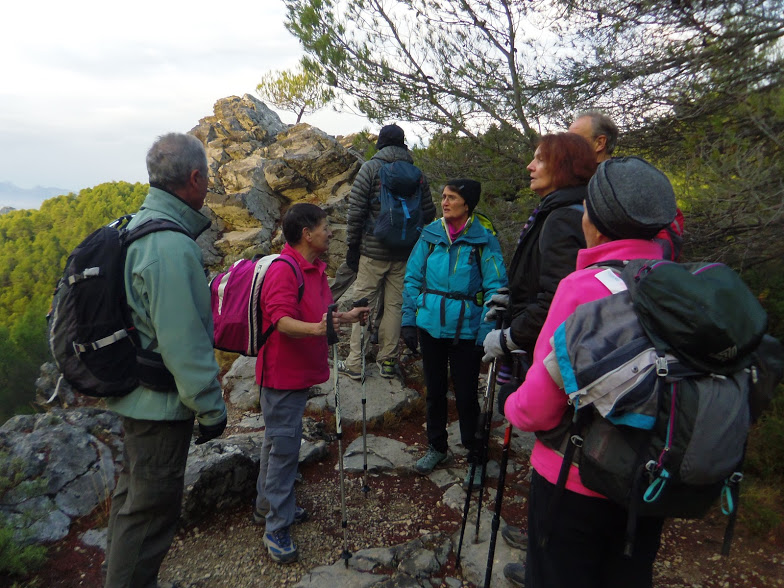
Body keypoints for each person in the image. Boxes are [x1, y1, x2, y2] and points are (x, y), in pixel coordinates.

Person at [500, 156, 677, 588]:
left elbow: (539, 409)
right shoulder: (679, 282)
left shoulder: (582, 288)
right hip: (653, 482)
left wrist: (511, 404)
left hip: (576, 481)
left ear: (594, 221)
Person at [103, 133, 228, 588]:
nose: (209, 184)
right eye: (207, 177)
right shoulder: (171, 247)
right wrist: (211, 410)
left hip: (134, 396)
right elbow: (185, 343)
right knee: (151, 511)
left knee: (132, 500)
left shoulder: (137, 224)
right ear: (194, 178)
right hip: (158, 406)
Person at [481, 132, 597, 581]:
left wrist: (510, 336)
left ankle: (546, 553)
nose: (530, 166)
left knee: (556, 450)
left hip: (553, 360)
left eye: (539, 159)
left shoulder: (565, 217)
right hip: (545, 348)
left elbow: (555, 301)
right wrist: (510, 299)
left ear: (563, 166)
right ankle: (541, 542)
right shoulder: (560, 210)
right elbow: (539, 285)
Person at [254, 203, 368, 564]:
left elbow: (316, 313)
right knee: (285, 450)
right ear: (307, 234)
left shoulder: (314, 269)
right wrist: (319, 329)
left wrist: (344, 317)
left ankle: (267, 506)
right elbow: (281, 320)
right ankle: (276, 527)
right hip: (281, 375)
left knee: (276, 443)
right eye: (325, 226)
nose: (330, 232)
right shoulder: (284, 270)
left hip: (298, 373)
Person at [401, 179, 507, 488]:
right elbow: (412, 277)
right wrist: (409, 320)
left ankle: (475, 456)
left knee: (465, 396)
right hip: (430, 326)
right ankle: (437, 447)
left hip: (467, 331)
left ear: (467, 204)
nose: (445, 202)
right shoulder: (431, 235)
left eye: (452, 198)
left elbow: (496, 288)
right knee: (433, 391)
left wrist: (485, 334)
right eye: (444, 197)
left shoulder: (483, 241)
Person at [338, 124, 436, 380]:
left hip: (372, 252)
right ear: (403, 144)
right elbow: (429, 213)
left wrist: (352, 247)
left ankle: (355, 363)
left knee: (362, 305)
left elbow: (356, 212)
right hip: (405, 253)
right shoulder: (417, 173)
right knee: (395, 306)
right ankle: (388, 361)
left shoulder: (370, 169)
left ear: (380, 143)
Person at [569, 110, 685, 261]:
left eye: (574, 140)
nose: (566, 146)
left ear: (600, 143)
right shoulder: (576, 181)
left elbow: (664, 234)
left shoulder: (632, 181)